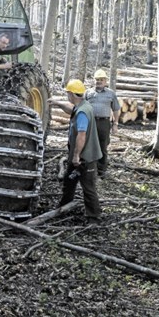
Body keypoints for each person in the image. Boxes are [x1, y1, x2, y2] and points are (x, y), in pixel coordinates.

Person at [48, 79, 103, 224]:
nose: (67, 96)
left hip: (86, 157)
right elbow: (70, 109)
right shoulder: (82, 106)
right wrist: (57, 103)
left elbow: (81, 135)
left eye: (67, 94)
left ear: (72, 94)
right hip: (77, 156)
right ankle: (65, 206)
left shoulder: (82, 113)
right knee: (69, 179)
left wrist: (77, 156)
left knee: (88, 187)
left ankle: (94, 217)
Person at [85, 69, 120, 177]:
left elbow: (116, 109)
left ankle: (101, 170)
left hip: (104, 123)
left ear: (105, 81)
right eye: (97, 79)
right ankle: (89, 168)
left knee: (103, 146)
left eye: (101, 79)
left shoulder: (111, 94)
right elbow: (82, 107)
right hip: (91, 122)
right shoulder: (88, 92)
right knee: (89, 144)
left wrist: (115, 124)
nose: (99, 81)